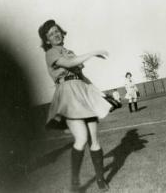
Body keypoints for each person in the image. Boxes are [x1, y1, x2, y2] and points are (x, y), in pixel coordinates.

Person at [38, 19, 111, 192]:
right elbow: (70, 64)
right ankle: (75, 183)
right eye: (51, 34)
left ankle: (100, 180)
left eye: (57, 31)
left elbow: (82, 76)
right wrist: (94, 52)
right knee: (82, 137)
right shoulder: (50, 53)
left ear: (61, 32)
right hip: (68, 95)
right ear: (47, 40)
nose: (55, 34)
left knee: (94, 138)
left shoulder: (70, 51)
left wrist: (99, 93)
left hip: (83, 93)